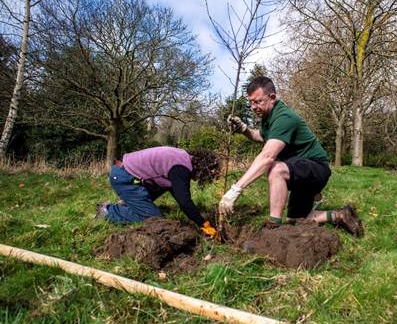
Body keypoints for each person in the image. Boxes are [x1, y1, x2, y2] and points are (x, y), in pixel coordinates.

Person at [219, 76, 363, 237]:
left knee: (276, 169)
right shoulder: (268, 118)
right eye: (251, 102)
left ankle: (273, 228)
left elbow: (267, 156)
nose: (253, 107)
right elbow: (261, 136)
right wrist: (244, 129)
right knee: (296, 219)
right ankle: (340, 215)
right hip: (300, 171)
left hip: (316, 168)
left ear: (272, 98)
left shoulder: (284, 118)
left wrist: (235, 190)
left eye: (257, 101)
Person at [95, 146, 220, 238]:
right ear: (203, 169)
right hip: (125, 178)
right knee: (154, 219)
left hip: (126, 172)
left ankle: (129, 204)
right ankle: (108, 211)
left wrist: (198, 221)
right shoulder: (181, 169)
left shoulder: (183, 157)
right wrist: (204, 224)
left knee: (163, 187)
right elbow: (184, 202)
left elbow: (176, 192)